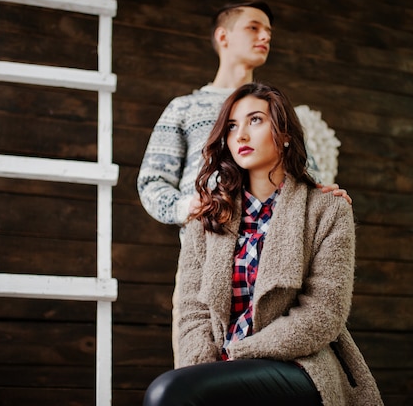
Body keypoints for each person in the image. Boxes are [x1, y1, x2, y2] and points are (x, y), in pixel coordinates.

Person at [137, 0, 351, 366]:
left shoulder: (276, 111)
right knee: (197, 374)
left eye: (268, 30)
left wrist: (327, 193)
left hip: (279, 264)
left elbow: (306, 177)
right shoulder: (184, 108)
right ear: (223, 36)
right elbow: (151, 182)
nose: (265, 35)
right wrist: (193, 208)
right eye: (253, 27)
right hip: (206, 269)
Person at [143, 82, 382, 406]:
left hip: (301, 364)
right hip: (225, 368)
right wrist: (203, 370)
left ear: (284, 133)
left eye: (255, 120)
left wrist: (239, 352)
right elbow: (193, 315)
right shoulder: (208, 218)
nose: (240, 135)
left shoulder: (327, 209)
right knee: (177, 390)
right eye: (232, 126)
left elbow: (323, 315)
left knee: (167, 394)